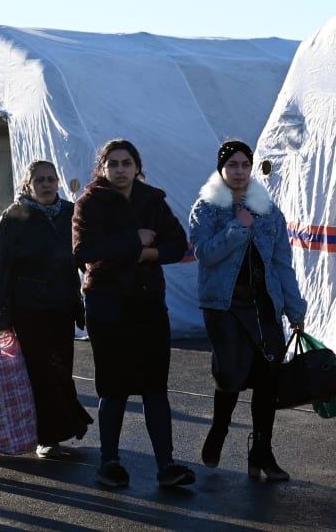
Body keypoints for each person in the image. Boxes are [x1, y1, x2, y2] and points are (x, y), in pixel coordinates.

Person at [72, 139, 195, 489]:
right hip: (106, 303)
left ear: (137, 166)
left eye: (127, 162)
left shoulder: (151, 200)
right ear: (103, 168)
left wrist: (146, 255)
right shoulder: (89, 203)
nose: (121, 169)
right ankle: (109, 462)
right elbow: (83, 250)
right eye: (114, 163)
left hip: (147, 301)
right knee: (114, 388)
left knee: (156, 387)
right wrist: (133, 240)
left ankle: (167, 465)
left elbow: (176, 244)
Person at [188, 139, 307, 482]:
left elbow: (283, 263)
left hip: (263, 304)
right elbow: (205, 254)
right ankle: (219, 429)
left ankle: (262, 452)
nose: (239, 171)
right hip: (223, 305)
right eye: (232, 165)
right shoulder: (207, 207)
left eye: (244, 165)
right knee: (231, 374)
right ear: (221, 169)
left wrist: (295, 308)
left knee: (269, 378)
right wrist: (238, 226)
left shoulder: (268, 210)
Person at [0, 160, 93, 458]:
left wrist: (85, 299)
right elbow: (1, 269)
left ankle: (64, 424)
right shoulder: (13, 218)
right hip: (28, 308)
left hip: (61, 305)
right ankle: (47, 437)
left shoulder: (70, 214)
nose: (47, 185)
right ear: (28, 185)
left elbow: (82, 258)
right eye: (40, 180)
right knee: (40, 372)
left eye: (51, 179)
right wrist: (1, 311)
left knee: (62, 369)